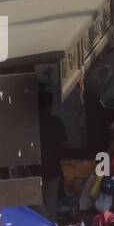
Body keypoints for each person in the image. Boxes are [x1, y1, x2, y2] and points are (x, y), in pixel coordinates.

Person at [38, 91, 67, 219]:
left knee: (37, 204)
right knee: (51, 203)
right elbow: (65, 144)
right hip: (53, 169)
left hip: (35, 170)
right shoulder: (56, 122)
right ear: (50, 106)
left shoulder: (33, 124)